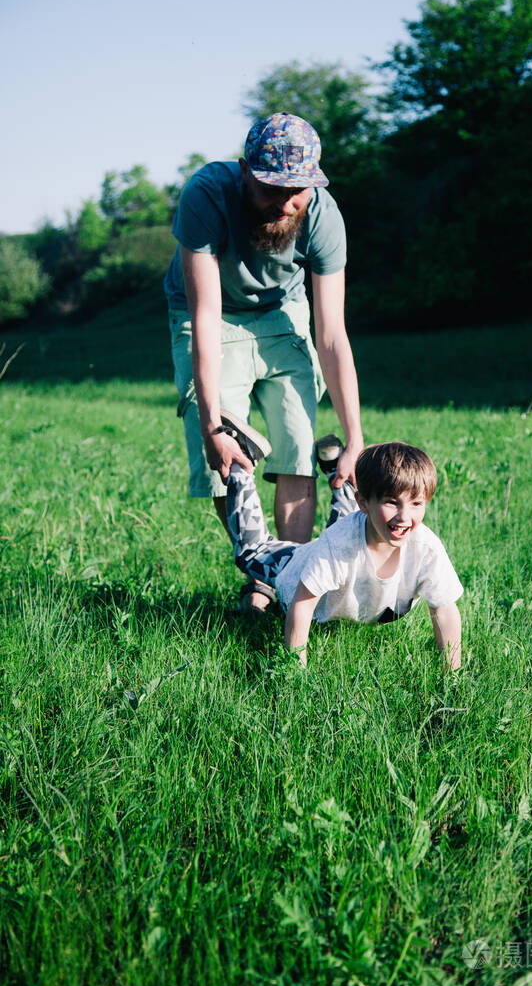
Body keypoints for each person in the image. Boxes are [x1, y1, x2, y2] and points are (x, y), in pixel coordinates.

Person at [164, 112, 364, 610]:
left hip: (282, 313)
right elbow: (206, 316)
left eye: (297, 189)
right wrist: (212, 423)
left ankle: (283, 581)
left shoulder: (321, 214)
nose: (286, 202)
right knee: (221, 464)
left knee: (296, 449)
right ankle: (267, 569)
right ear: (245, 170)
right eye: (273, 187)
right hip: (211, 316)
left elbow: (333, 333)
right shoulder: (206, 194)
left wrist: (356, 437)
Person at [220, 414, 464, 670]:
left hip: (351, 540)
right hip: (294, 567)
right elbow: (302, 606)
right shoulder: (338, 544)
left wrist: (453, 677)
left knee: (354, 525)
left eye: (416, 504)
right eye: (391, 502)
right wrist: (295, 674)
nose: (405, 516)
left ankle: (337, 467)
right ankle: (242, 464)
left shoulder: (425, 547)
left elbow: (444, 611)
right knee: (250, 553)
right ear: (364, 503)